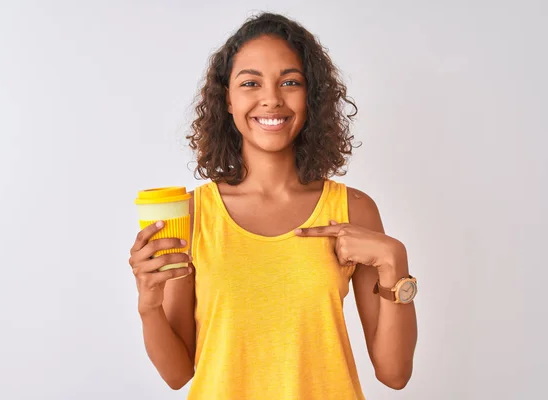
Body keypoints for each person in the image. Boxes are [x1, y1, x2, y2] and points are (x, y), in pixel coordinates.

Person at [128, 12, 418, 400]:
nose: (271, 98)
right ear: (227, 100)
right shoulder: (193, 214)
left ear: (310, 97)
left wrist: (394, 262)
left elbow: (394, 374)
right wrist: (149, 305)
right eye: (251, 82)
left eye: (290, 82)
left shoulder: (353, 209)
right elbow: (179, 374)